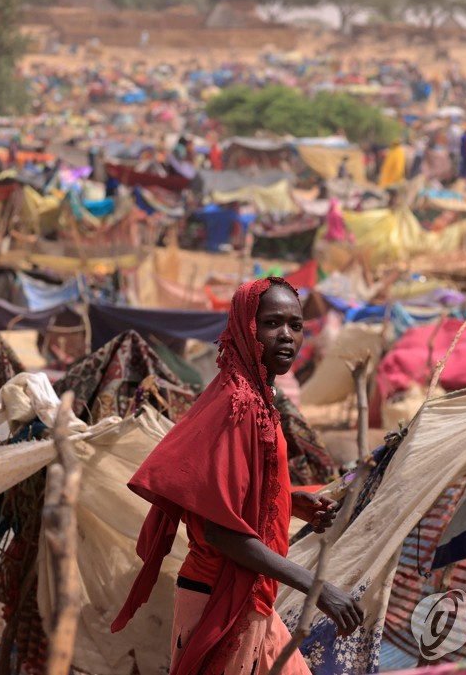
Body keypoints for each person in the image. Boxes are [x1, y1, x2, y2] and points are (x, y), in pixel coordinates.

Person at [112, 278, 363, 674]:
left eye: (296, 326)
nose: (287, 336)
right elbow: (221, 531)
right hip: (220, 597)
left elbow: (234, 492)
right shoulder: (239, 404)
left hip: (249, 594)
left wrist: (287, 500)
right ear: (246, 327)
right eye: (272, 323)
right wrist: (319, 588)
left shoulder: (257, 397)